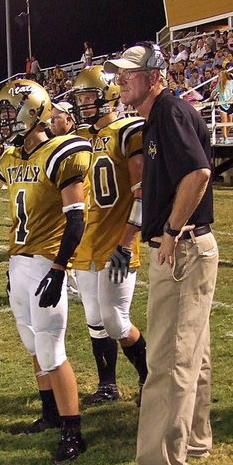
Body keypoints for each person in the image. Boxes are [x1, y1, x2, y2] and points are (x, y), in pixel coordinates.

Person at [104, 42, 218, 465]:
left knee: (168, 360)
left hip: (182, 249)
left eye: (129, 74)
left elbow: (198, 173)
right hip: (188, 248)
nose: (121, 81)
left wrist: (170, 230)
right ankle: (194, 440)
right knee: (192, 353)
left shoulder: (168, 112)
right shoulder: (161, 115)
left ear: (154, 76)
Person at [0, 79, 92, 464]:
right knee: (33, 344)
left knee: (51, 348)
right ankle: (50, 414)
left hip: (46, 261)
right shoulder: (12, 158)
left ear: (32, 111)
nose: (2, 120)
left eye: (7, 111)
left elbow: (76, 220)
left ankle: (73, 432)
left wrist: (59, 269)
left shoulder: (61, 152)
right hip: (19, 261)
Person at [68, 65, 149, 406]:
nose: (83, 104)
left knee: (116, 320)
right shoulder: (80, 137)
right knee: (94, 319)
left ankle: (150, 377)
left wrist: (127, 242)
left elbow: (143, 192)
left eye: (89, 97)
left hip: (117, 239)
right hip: (86, 241)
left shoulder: (129, 130)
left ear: (109, 95)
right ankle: (107, 386)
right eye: (80, 98)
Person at [212, 70, 233, 143]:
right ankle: (225, 138)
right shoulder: (220, 84)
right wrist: (210, 98)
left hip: (230, 103)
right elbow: (216, 91)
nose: (219, 77)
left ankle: (226, 136)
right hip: (222, 103)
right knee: (224, 122)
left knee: (230, 123)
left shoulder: (232, 82)